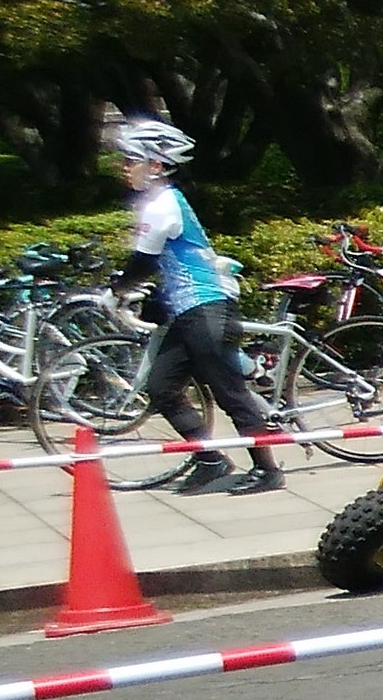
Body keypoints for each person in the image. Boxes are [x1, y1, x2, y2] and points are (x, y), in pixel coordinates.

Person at [110, 118, 279, 497]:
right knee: (161, 387)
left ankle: (267, 470)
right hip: (188, 312)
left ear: (156, 165)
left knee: (229, 392)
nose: (124, 167)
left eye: (131, 160)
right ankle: (210, 460)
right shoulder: (158, 202)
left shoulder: (163, 204)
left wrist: (118, 288)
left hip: (206, 308)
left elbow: (143, 262)